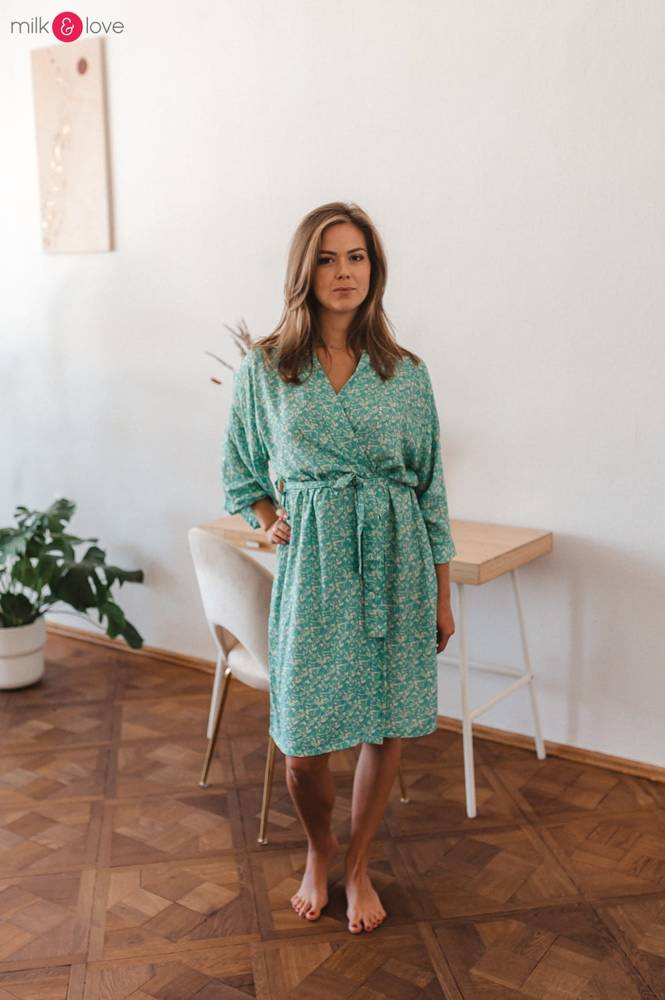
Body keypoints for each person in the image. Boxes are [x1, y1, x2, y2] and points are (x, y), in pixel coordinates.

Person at [221, 201, 456, 934]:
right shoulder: (266, 370)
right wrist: (269, 519)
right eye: (327, 258)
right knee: (301, 747)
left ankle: (356, 864)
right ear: (305, 270)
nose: (343, 272)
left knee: (384, 727)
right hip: (314, 567)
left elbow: (430, 491)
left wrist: (442, 596)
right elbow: (240, 473)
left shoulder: (406, 373)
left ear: (373, 269)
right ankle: (318, 848)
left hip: (396, 562)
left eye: (356, 257)